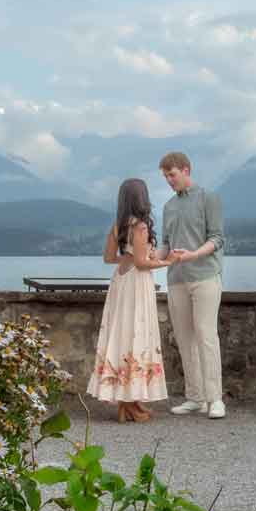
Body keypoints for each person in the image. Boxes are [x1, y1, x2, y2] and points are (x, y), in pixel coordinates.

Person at [87, 177, 189, 422]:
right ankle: (128, 401)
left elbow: (109, 258)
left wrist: (128, 257)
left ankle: (130, 401)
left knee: (123, 334)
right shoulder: (141, 227)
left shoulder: (119, 226)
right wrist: (168, 261)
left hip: (121, 282)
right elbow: (143, 264)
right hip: (137, 284)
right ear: (142, 199)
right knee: (137, 333)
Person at [158, 151, 226, 419]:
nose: (169, 180)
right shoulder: (168, 207)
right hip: (176, 279)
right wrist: (150, 259)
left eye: (172, 175)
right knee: (185, 340)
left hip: (205, 276)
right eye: (165, 176)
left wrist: (194, 254)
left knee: (206, 336)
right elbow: (166, 244)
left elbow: (217, 238)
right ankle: (195, 398)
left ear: (186, 170)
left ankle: (215, 399)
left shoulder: (209, 198)